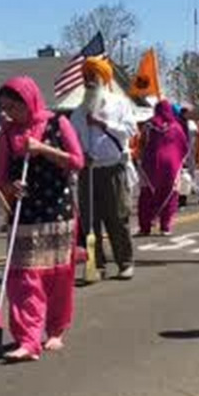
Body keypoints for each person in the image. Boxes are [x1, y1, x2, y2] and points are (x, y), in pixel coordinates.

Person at [0, 76, 85, 361]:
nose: (8, 113)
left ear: (29, 102)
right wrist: (11, 187)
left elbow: (77, 161)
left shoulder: (58, 124)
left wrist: (43, 149)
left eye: (13, 107)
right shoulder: (6, 135)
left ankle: (56, 329)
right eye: (4, 108)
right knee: (23, 279)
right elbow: (1, 178)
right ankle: (28, 339)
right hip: (25, 215)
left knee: (58, 277)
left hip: (57, 212)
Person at [70, 57, 138, 281]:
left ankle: (125, 262)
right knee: (90, 223)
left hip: (113, 169)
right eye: (86, 76)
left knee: (117, 218)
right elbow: (72, 141)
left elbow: (130, 131)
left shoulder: (119, 103)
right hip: (87, 172)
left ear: (104, 78)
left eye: (94, 75)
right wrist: (81, 155)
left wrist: (103, 124)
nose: (89, 80)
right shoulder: (78, 112)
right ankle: (95, 266)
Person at [138, 100, 189, 236]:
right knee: (170, 194)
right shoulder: (176, 127)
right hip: (171, 164)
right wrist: (180, 161)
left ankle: (145, 226)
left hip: (151, 164)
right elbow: (184, 146)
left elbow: (141, 144)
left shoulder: (148, 126)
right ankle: (165, 226)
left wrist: (141, 158)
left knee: (147, 194)